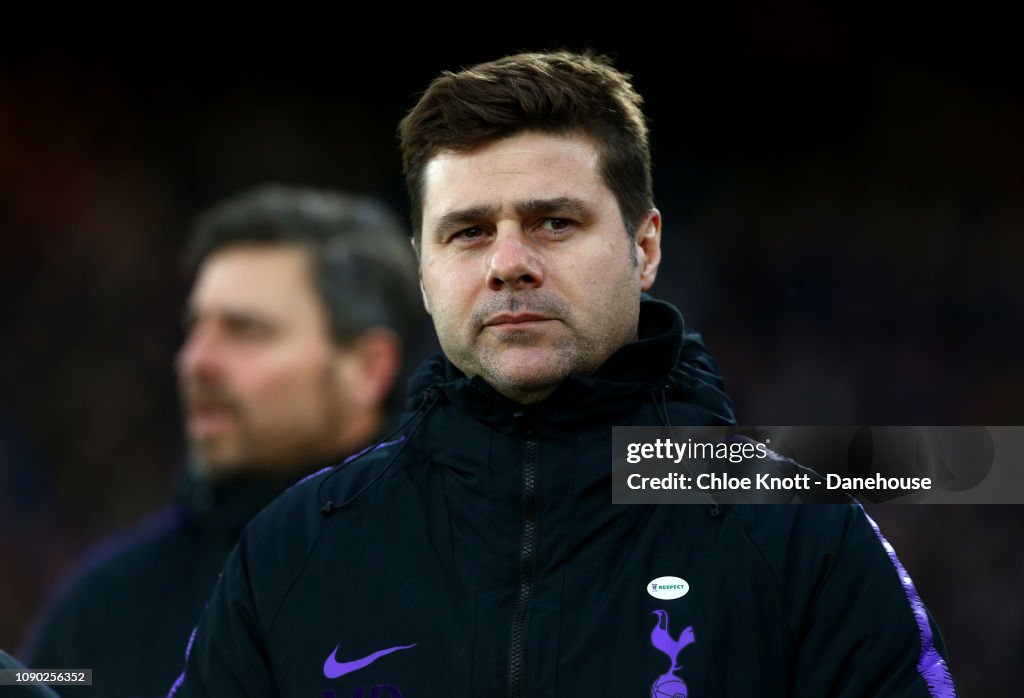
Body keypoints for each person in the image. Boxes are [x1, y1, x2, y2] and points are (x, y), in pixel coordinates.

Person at [167, 52, 959, 697]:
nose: (510, 263)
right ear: (423, 271)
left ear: (644, 247)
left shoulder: (802, 536)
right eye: (469, 232)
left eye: (555, 222)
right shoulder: (293, 551)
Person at [21, 184, 423, 698]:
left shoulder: (463, 573)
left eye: (245, 331)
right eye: (195, 328)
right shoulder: (103, 609)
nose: (195, 362)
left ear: (367, 369)